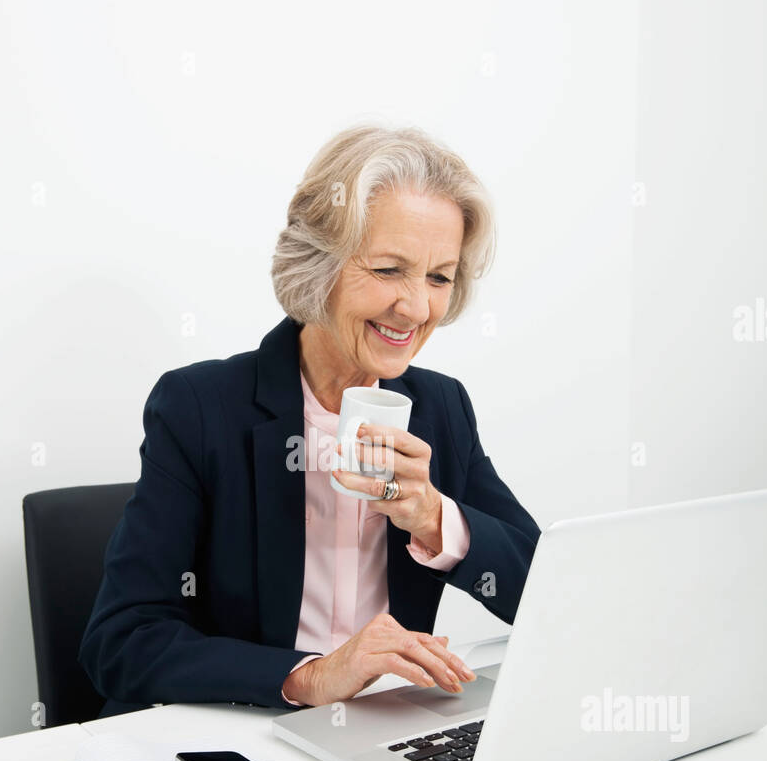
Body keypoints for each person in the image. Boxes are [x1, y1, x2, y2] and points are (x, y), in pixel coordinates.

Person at [78, 123, 541, 716]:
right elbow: (120, 644)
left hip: (374, 734)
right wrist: (309, 676)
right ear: (320, 263)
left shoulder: (441, 408)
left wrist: (433, 517)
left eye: (439, 277)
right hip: (241, 737)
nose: (416, 307)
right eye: (388, 269)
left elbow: (543, 594)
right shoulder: (199, 406)